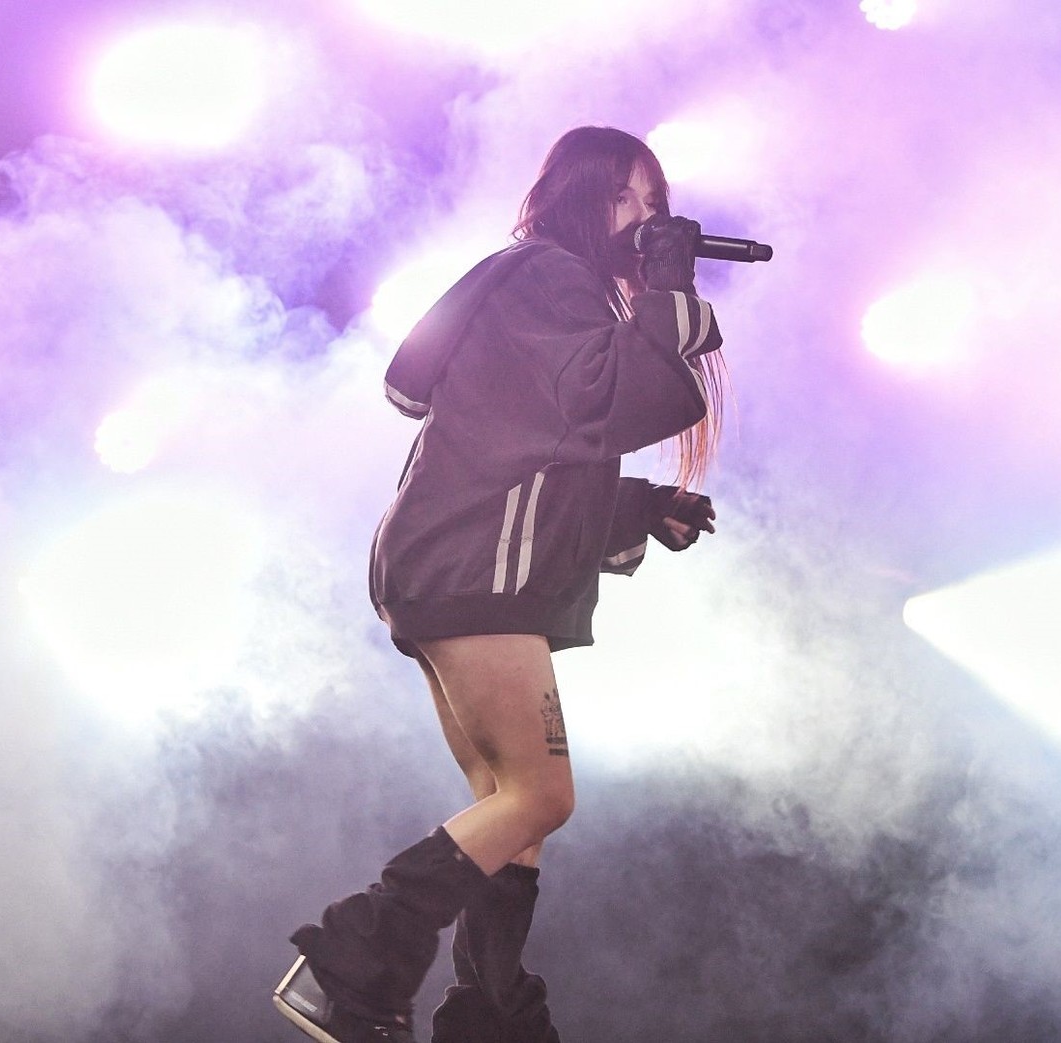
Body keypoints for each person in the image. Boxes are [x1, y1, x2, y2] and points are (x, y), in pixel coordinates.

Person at [275, 125, 727, 1043]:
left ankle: (489, 1016)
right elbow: (624, 395)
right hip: (470, 568)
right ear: (575, 195)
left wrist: (640, 508)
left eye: (655, 204)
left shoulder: (546, 289)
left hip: (451, 563)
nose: (645, 220)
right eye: (624, 197)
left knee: (512, 814)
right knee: (541, 795)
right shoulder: (548, 278)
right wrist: (669, 288)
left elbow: (527, 446)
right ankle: (349, 965)